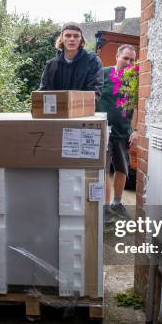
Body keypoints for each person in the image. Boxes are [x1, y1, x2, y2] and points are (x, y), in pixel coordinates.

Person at [97, 44, 139, 220]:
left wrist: (135, 130)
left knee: (122, 169)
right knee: (104, 170)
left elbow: (138, 107)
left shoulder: (135, 80)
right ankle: (105, 208)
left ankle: (117, 202)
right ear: (117, 56)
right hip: (103, 131)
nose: (128, 62)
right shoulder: (103, 74)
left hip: (123, 132)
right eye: (125, 58)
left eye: (131, 60)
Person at [39, 23, 103, 101]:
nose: (72, 39)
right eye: (68, 35)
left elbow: (94, 94)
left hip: (84, 111)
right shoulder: (51, 65)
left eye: (76, 36)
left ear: (81, 39)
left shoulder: (93, 61)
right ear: (61, 39)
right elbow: (43, 92)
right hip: (57, 111)